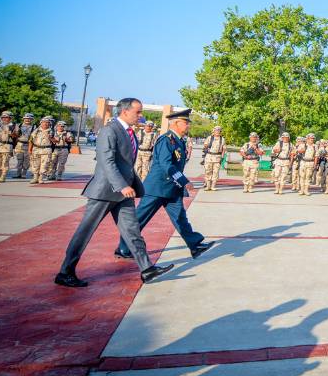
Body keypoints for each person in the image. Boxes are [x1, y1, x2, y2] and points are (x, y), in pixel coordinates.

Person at [55, 97, 173, 288]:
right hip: (105, 191)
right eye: (138, 112)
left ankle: (147, 269)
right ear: (125, 111)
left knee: (132, 231)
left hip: (123, 194)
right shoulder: (110, 130)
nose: (141, 116)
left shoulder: (130, 132)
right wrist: (122, 185)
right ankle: (65, 272)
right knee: (85, 231)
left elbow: (125, 162)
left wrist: (130, 185)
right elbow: (106, 161)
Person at [114, 109, 214, 261]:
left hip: (171, 189)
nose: (188, 125)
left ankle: (195, 245)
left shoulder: (179, 140)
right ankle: (124, 248)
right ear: (175, 123)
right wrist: (183, 180)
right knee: (140, 219)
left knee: (180, 217)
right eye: (185, 123)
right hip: (157, 187)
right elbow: (166, 164)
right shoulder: (166, 139)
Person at [0, 110, 17, 182]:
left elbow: (16, 136)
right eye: (3, 117)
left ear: (10, 118)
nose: (4, 118)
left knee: (5, 162)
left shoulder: (14, 125)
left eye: (6, 117)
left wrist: (12, 134)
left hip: (7, 145)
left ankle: (3, 176)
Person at [28, 116, 55, 184]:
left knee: (45, 164)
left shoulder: (52, 131)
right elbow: (31, 140)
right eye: (44, 122)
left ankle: (41, 178)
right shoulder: (36, 130)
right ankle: (35, 178)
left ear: (49, 124)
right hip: (36, 149)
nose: (45, 124)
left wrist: (51, 138)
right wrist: (29, 149)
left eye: (47, 123)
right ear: (41, 123)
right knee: (35, 164)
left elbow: (55, 141)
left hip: (46, 149)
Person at [201, 125, 226, 191]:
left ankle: (213, 186)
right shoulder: (210, 138)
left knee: (216, 172)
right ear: (213, 131)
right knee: (208, 171)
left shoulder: (222, 139)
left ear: (220, 131)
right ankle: (208, 186)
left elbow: (224, 149)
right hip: (209, 156)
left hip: (217, 157)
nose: (217, 131)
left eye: (219, 130)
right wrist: (206, 146)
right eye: (216, 130)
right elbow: (205, 145)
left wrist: (222, 157)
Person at [14, 113, 35, 178]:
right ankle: (18, 174)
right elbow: (14, 135)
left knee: (26, 160)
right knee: (19, 159)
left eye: (29, 119)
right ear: (23, 119)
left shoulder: (34, 127)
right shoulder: (18, 125)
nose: (28, 120)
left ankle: (24, 174)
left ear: (32, 120)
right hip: (19, 144)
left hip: (28, 144)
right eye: (26, 118)